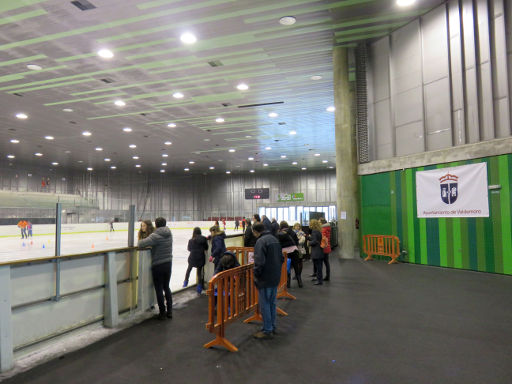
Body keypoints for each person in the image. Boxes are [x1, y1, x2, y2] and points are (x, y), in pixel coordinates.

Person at [138, 217, 173, 320]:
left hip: (158, 265)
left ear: (156, 225)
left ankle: (162, 312)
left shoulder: (155, 235)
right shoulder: (169, 233)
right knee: (166, 287)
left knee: (158, 289)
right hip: (168, 263)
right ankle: (169, 311)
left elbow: (140, 243)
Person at [252, 223, 283, 339]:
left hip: (265, 278)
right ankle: (272, 326)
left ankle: (267, 330)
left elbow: (259, 262)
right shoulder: (274, 239)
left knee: (264, 304)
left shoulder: (260, 242)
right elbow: (281, 258)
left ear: (255, 232)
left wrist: (256, 275)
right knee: (272, 303)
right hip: (275, 276)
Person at [278, 221, 302, 288]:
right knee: (296, 267)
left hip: (285, 252)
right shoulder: (292, 232)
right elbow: (296, 241)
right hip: (294, 250)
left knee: (287, 267)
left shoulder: (280, 234)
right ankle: (300, 282)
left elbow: (279, 244)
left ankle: (288, 284)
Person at [184, 227, 208, 293]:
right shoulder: (204, 239)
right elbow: (206, 247)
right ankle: (199, 288)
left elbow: (189, 249)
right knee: (199, 273)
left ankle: (185, 282)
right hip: (200, 257)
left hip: (192, 257)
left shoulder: (191, 240)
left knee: (189, 269)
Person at [308, 219, 324, 285]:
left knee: (318, 266)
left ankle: (319, 280)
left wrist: (309, 242)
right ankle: (320, 279)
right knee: (319, 266)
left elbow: (314, 241)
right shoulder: (318, 231)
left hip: (316, 251)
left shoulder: (314, 231)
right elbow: (316, 240)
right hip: (320, 250)